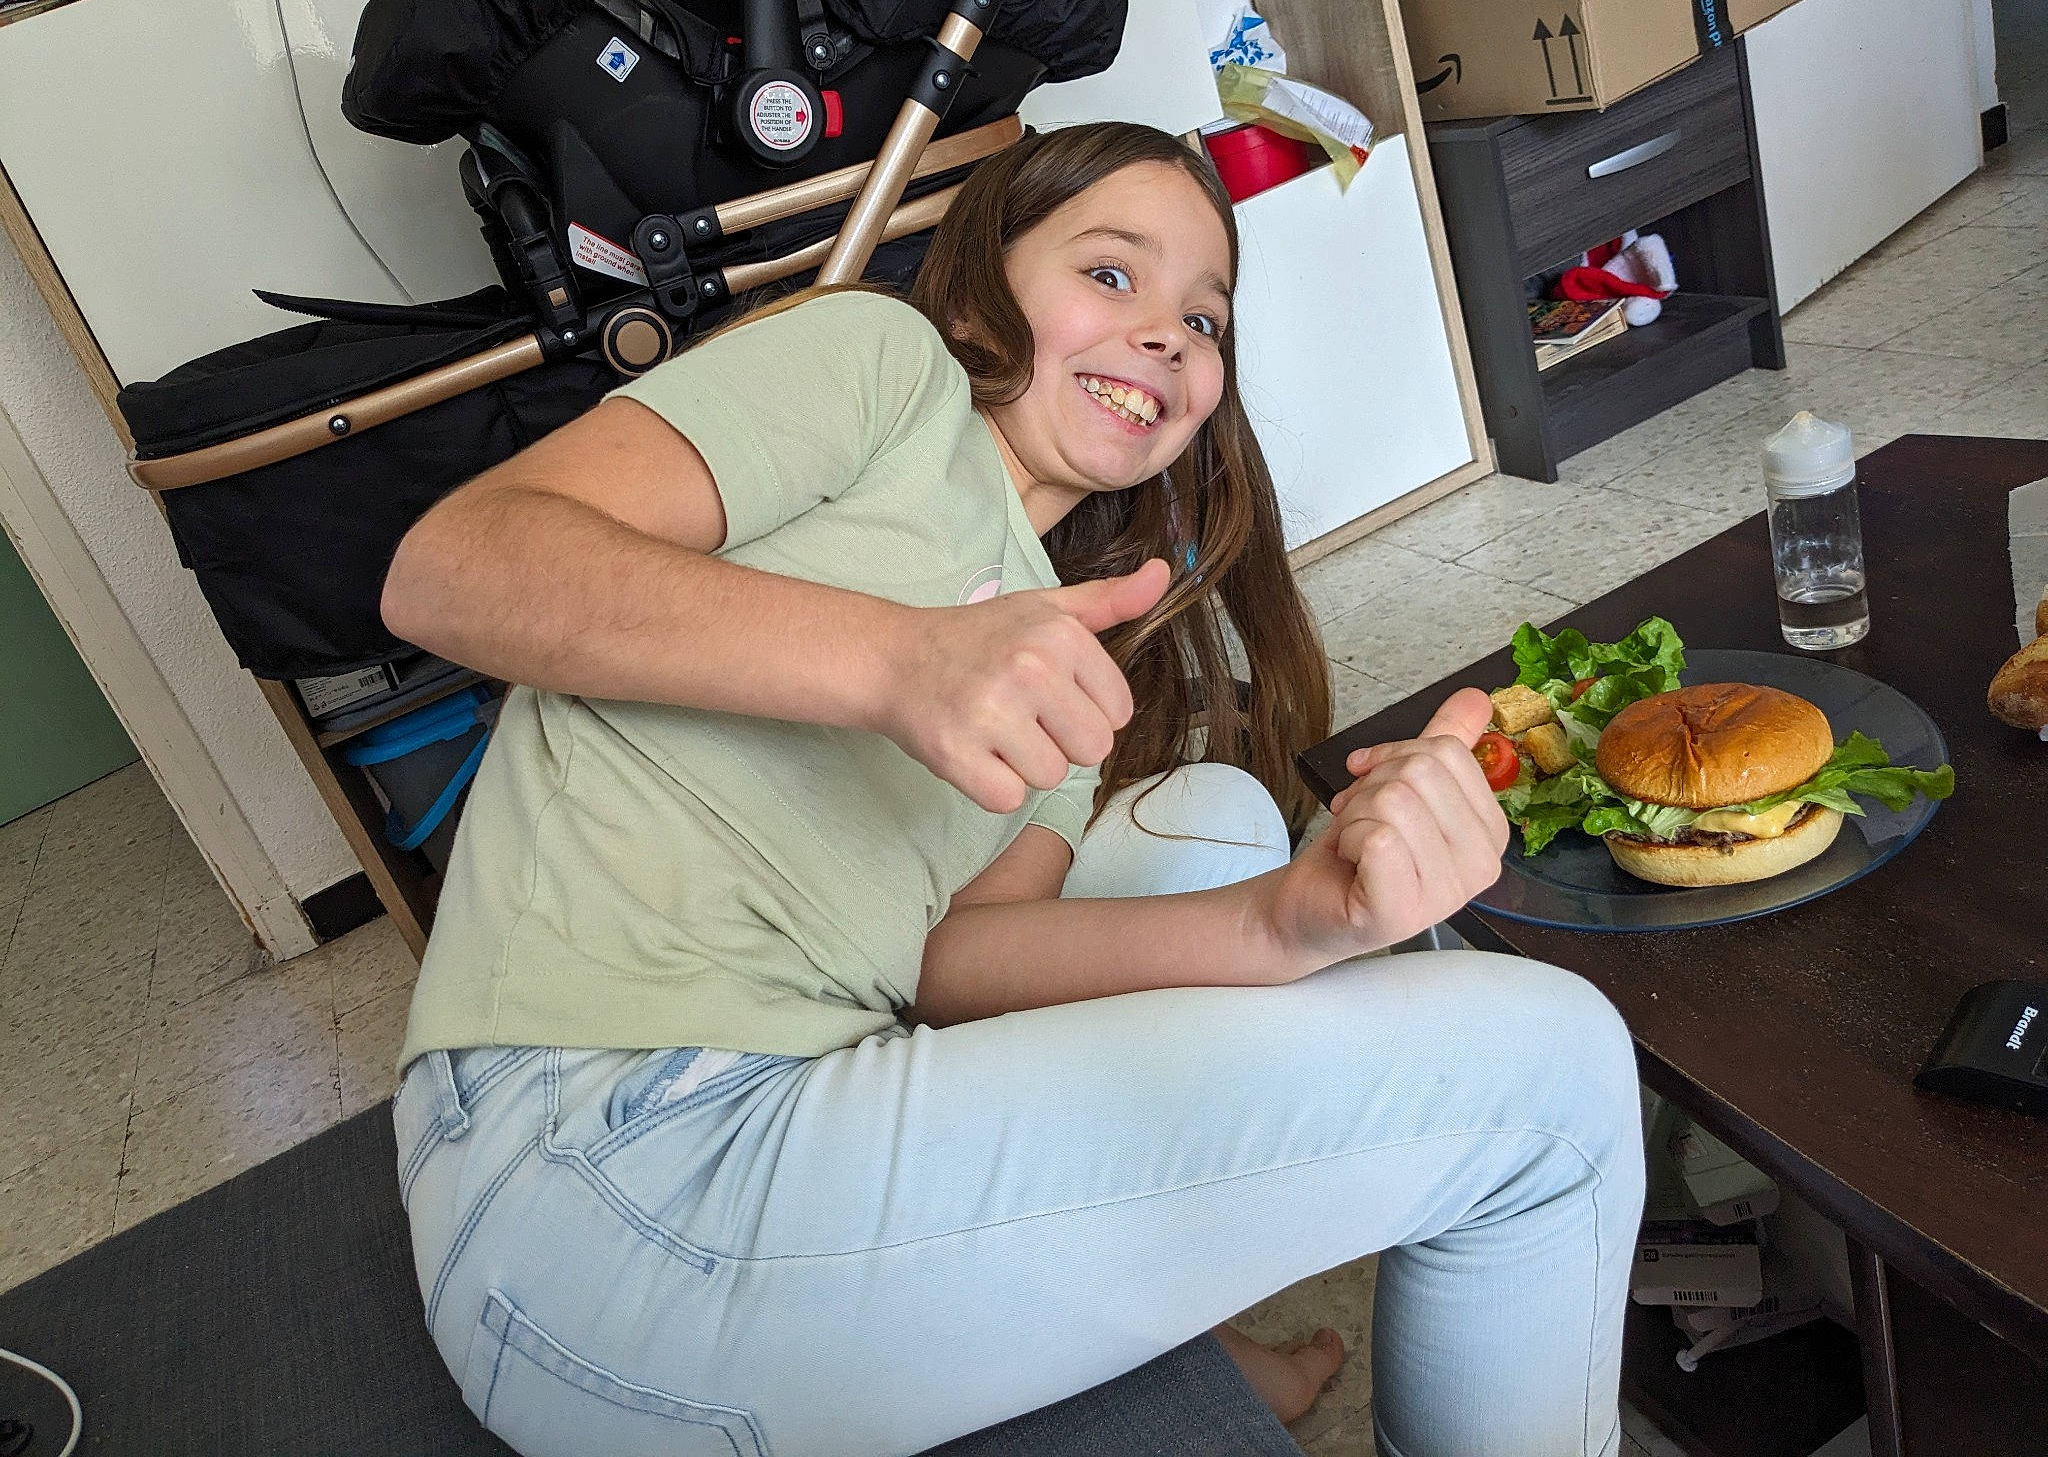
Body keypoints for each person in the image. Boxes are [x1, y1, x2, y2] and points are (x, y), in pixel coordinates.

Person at [380, 121, 1645, 1457]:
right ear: (985, 284)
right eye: (1112, 275)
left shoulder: (1050, 646)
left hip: (755, 1117)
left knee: (1216, 818)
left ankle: (1188, 1343)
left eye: (1205, 318)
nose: (1167, 333)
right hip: (607, 1176)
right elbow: (454, 567)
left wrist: (1296, 916)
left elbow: (956, 967)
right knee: (1550, 1080)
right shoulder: (878, 364)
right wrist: (897, 660)